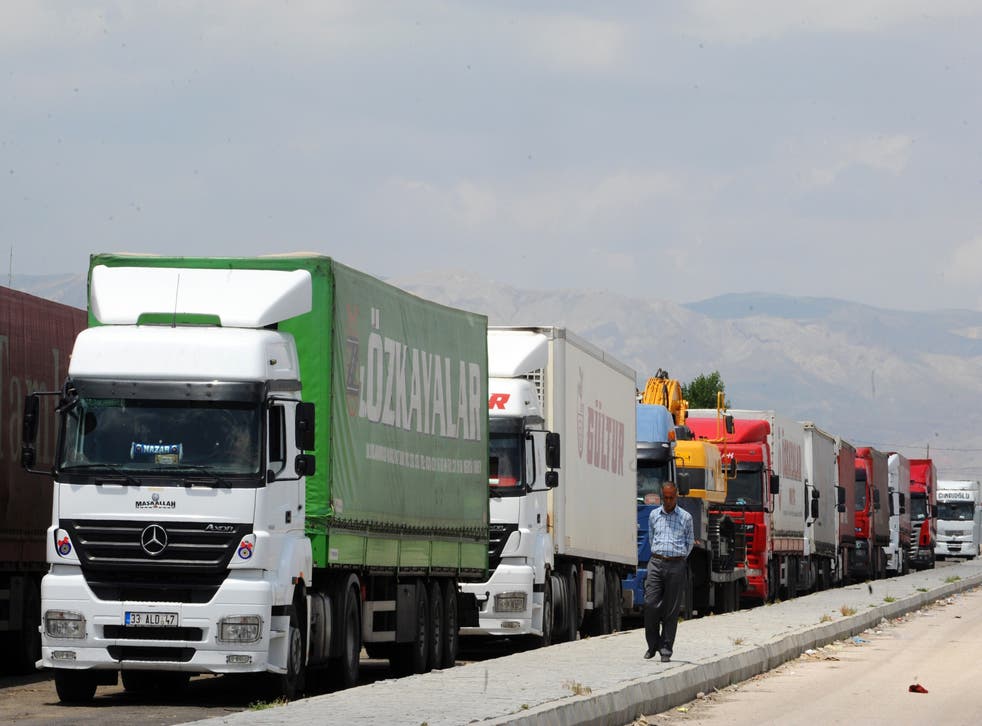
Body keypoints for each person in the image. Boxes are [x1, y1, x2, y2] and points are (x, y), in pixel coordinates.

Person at [644, 481, 694, 662]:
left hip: (676, 565)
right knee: (650, 604)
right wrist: (660, 555)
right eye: (665, 497)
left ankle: (666, 649)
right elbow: (652, 537)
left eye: (671, 497)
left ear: (676, 496)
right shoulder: (654, 515)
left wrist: (678, 559)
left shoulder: (686, 518)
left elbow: (690, 543)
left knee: (671, 610)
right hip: (656, 563)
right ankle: (652, 644)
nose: (668, 501)